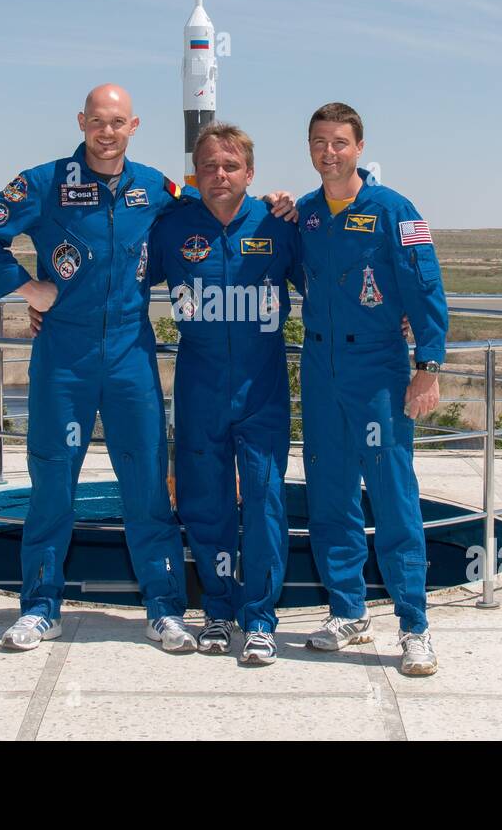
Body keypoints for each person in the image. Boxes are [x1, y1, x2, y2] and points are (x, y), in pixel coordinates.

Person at [0, 84, 295, 653]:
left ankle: (164, 609)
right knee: (52, 483)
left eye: (118, 122)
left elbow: (215, 207)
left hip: (130, 355)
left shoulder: (156, 188)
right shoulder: (44, 183)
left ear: (133, 126)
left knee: (146, 486)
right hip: (63, 357)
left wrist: (276, 201)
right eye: (98, 121)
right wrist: (27, 289)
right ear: (81, 122)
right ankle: (40, 608)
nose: (107, 132)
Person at [295, 102, 449, 676]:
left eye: (339, 142)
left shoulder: (393, 210)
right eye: (319, 142)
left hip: (378, 369)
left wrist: (428, 364)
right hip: (319, 366)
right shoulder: (306, 215)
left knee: (392, 494)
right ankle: (348, 611)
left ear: (359, 147)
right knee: (329, 492)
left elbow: (425, 287)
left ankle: (415, 625)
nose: (328, 152)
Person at [144, 123, 302, 666]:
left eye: (230, 166)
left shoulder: (279, 223)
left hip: (262, 388)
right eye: (209, 166)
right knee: (204, 502)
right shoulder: (172, 228)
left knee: (264, 500)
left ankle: (259, 619)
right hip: (199, 386)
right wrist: (47, 302)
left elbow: (332, 281)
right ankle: (216, 610)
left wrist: (397, 316)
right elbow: (117, 279)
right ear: (196, 173)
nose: (219, 175)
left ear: (250, 173)